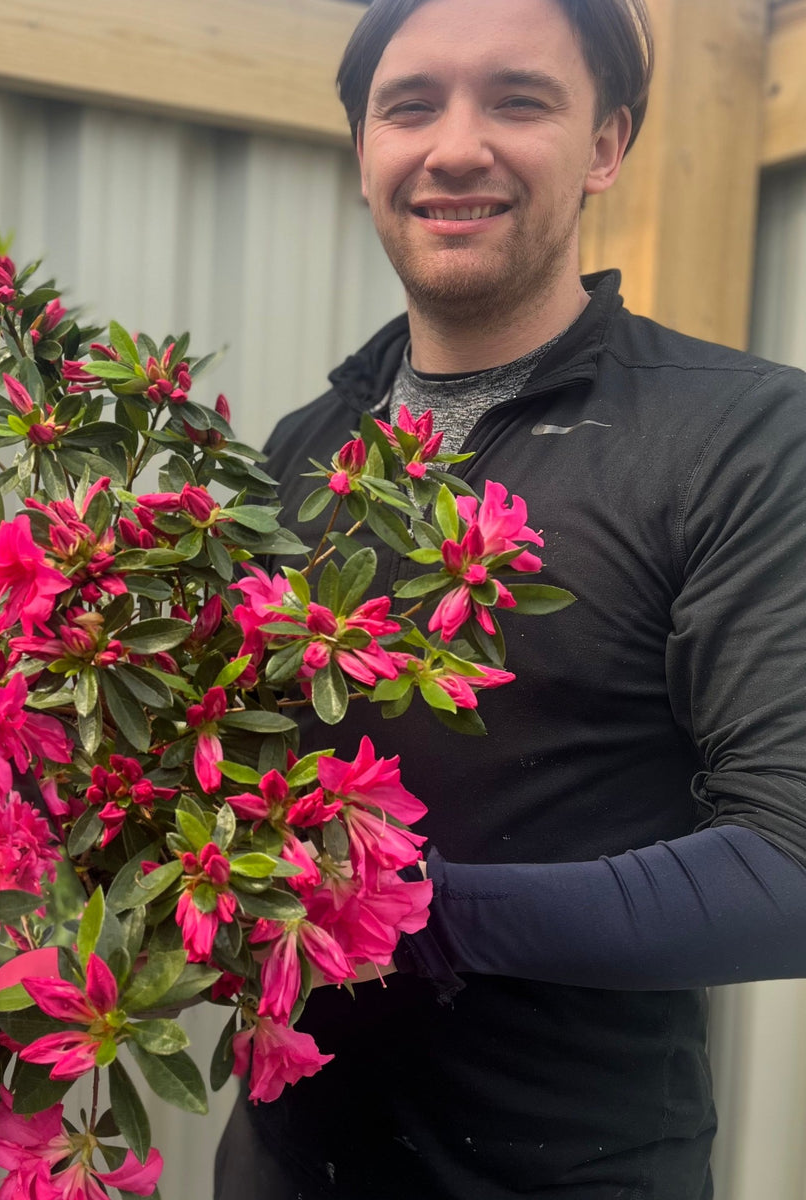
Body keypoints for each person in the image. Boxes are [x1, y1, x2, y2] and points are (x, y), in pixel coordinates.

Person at [212, 0, 806, 1196]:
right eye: (411, 104)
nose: (456, 145)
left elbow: (790, 868)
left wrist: (401, 915)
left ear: (604, 146)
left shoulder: (744, 437)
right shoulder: (300, 447)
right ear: (366, 150)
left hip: (570, 1172)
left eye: (519, 100)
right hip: (284, 1163)